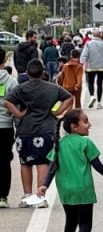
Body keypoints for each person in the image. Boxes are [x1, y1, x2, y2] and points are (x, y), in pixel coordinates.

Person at [4, 60, 71, 208]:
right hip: (46, 129)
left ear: (27, 73)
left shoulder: (21, 88)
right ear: (43, 73)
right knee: (42, 162)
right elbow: (69, 98)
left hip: (24, 130)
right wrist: (57, 112)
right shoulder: (52, 88)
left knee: (25, 163)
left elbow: (7, 102)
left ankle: (27, 196)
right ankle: (40, 197)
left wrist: (18, 114)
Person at [0, 48, 14, 207]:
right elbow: (17, 104)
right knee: (4, 161)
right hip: (5, 126)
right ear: (4, 61)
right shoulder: (11, 81)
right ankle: (3, 196)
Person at [81, 33, 103, 107]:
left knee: (90, 82)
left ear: (93, 36)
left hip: (90, 66)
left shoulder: (88, 44)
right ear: (100, 36)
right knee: (99, 84)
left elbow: (84, 55)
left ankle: (92, 96)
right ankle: (99, 103)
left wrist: (81, 62)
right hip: (101, 67)